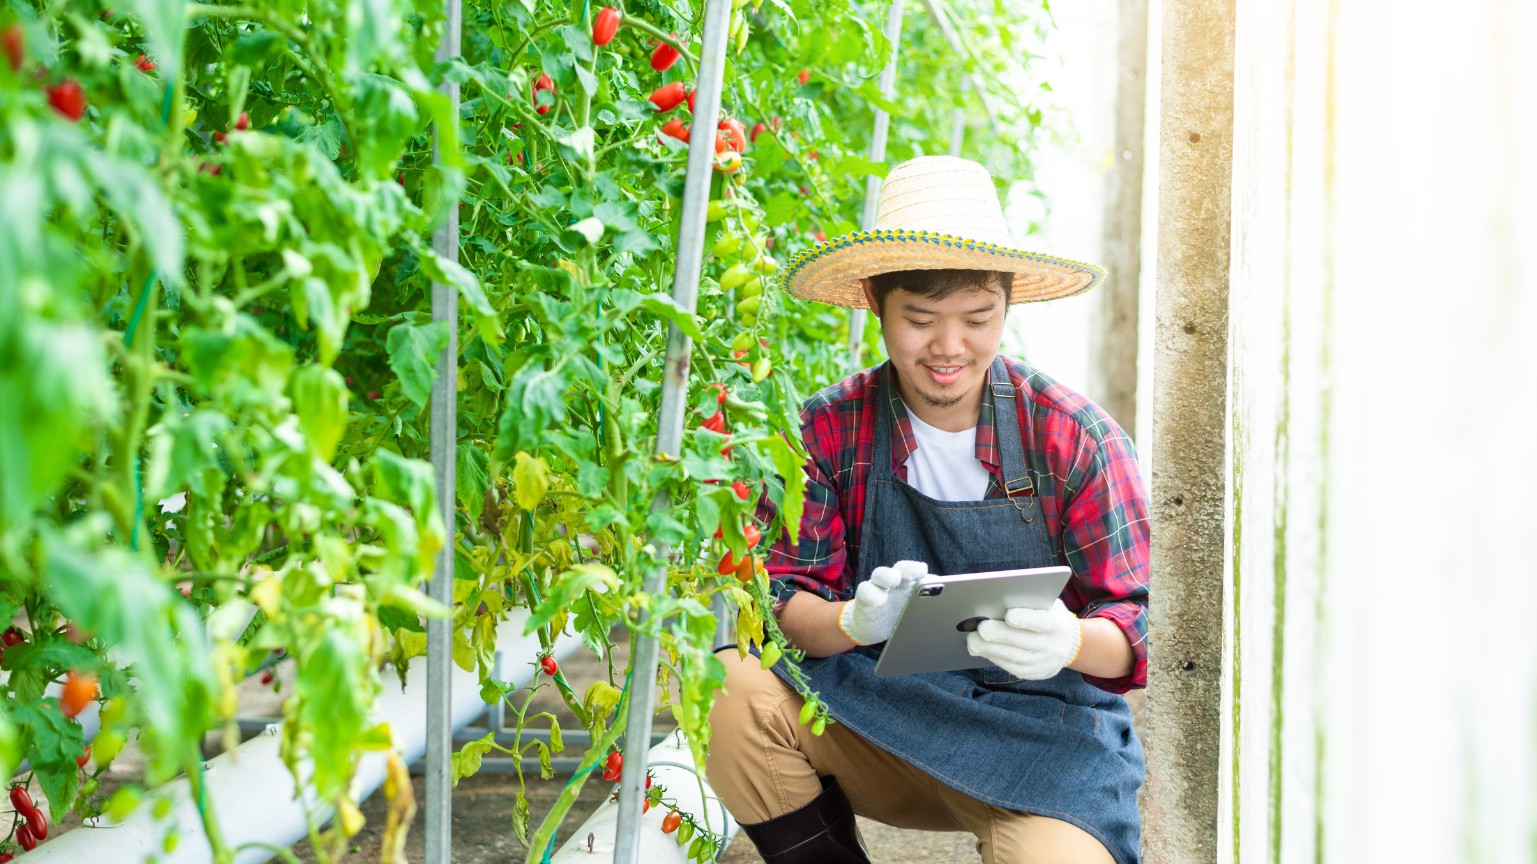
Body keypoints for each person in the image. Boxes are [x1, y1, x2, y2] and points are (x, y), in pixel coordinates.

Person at [705, 155, 1150, 864]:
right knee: (728, 688)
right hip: (874, 711)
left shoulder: (1073, 438)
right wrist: (852, 620)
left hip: (1040, 741)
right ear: (876, 306)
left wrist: (1068, 641)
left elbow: (1136, 627)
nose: (948, 348)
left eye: (977, 319)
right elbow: (786, 605)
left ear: (1007, 306)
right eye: (919, 319)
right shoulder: (825, 431)